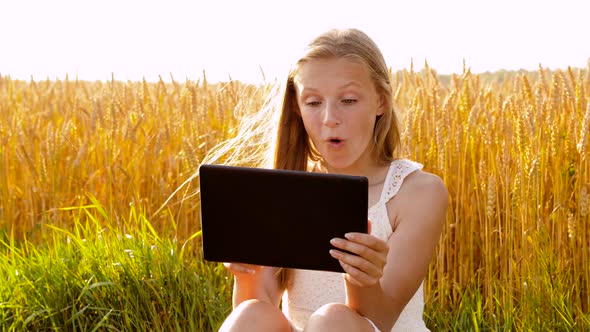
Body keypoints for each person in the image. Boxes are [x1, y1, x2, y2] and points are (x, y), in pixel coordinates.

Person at [212, 28, 449, 332]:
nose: (329, 118)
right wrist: (246, 270)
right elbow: (256, 311)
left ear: (381, 102)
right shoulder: (285, 191)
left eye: (348, 100)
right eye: (313, 102)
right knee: (251, 315)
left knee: (333, 321)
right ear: (297, 107)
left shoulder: (417, 192)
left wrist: (361, 277)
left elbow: (382, 319)